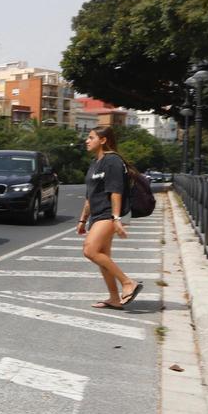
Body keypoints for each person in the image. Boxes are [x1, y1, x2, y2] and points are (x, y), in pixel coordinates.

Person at [77, 125, 143, 309]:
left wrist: (116, 218)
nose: (87, 140)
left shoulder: (113, 161)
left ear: (103, 140)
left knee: (90, 250)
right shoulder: (94, 163)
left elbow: (116, 191)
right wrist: (83, 219)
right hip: (97, 214)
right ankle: (114, 298)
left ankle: (128, 282)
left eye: (91, 137)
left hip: (108, 214)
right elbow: (90, 195)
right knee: (102, 255)